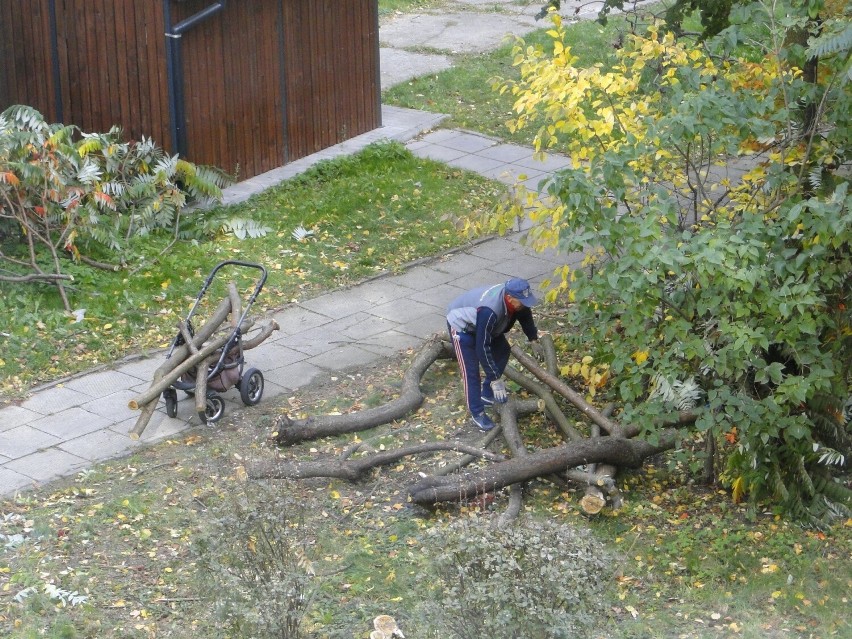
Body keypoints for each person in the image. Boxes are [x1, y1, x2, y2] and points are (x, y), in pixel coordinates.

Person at [446, 277, 541, 431]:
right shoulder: (489, 311)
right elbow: (482, 347)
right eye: (522, 301)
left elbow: (526, 317)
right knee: (471, 371)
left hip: (484, 325)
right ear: (509, 298)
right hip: (462, 328)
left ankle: (487, 394)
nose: (524, 304)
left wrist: (533, 339)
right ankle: (477, 412)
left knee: (503, 350)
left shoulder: (517, 303)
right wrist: (496, 379)